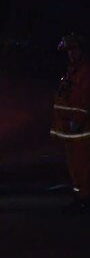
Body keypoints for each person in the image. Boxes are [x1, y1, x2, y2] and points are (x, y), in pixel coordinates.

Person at [51, 33, 90, 213]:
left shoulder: (85, 72)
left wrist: (78, 121)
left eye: (74, 50)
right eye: (69, 51)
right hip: (71, 130)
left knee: (83, 166)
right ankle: (80, 198)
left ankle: (85, 199)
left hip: (82, 130)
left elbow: (84, 100)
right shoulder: (71, 71)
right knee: (74, 166)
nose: (71, 54)